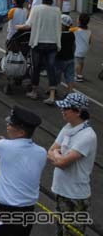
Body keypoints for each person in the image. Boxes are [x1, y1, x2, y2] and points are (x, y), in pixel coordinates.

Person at [0, 106, 47, 236]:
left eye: (11, 124)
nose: (8, 126)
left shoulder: (3, 145)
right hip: (27, 213)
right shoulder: (42, 152)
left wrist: (0, 140)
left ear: (21, 132)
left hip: (3, 211)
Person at [48, 93, 97, 236]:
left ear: (78, 111)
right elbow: (50, 151)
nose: (62, 111)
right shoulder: (68, 127)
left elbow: (62, 162)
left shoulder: (87, 136)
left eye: (66, 108)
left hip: (75, 195)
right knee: (60, 230)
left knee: (73, 232)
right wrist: (58, 156)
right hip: (61, 190)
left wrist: (57, 156)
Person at [17, 0, 62, 104]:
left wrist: (18, 27)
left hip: (38, 42)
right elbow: (59, 27)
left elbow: (28, 25)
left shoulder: (36, 9)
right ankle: (52, 95)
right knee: (50, 68)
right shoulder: (57, 11)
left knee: (36, 67)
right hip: (53, 43)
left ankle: (34, 91)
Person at [72, 12, 91, 82]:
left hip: (78, 50)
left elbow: (68, 31)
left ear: (79, 21)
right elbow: (90, 40)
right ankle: (80, 73)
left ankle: (78, 75)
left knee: (77, 63)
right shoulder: (89, 31)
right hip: (85, 49)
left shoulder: (76, 29)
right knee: (81, 62)